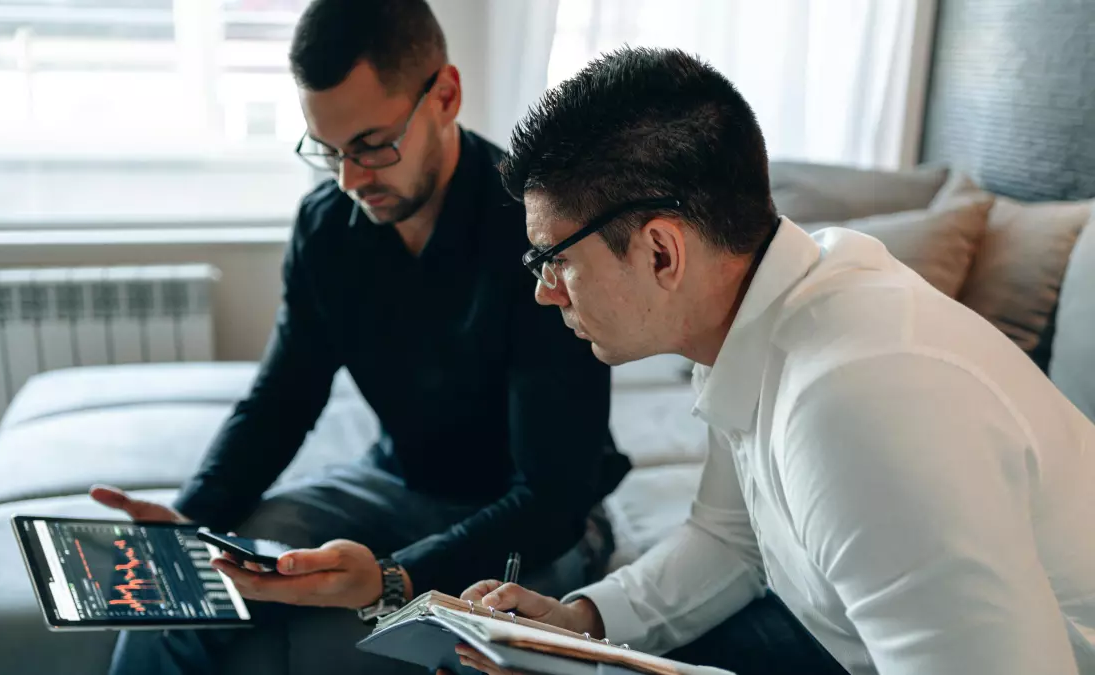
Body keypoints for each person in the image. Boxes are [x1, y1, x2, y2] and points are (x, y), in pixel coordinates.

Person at [451, 46, 1095, 675]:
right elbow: (732, 540)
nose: (543, 292)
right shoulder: (759, 316)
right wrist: (578, 626)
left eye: (553, 258)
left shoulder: (855, 409)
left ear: (661, 254)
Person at [90, 2, 629, 673]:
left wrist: (390, 577)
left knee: (358, 647)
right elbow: (281, 401)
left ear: (446, 96)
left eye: (373, 145)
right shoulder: (326, 228)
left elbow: (552, 496)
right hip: (392, 483)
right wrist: (190, 520)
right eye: (330, 151)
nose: (350, 179)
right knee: (187, 580)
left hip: (535, 520)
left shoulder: (536, 236)